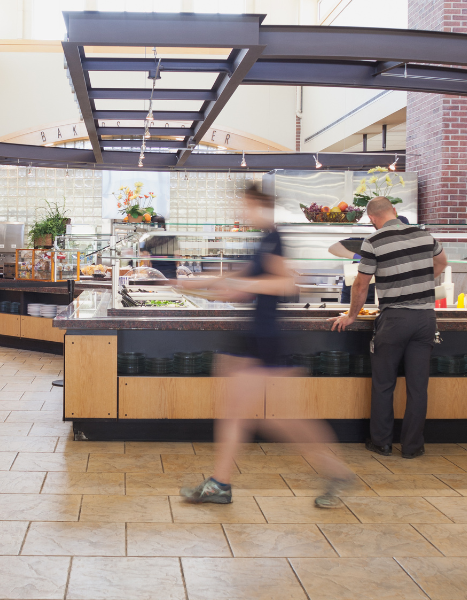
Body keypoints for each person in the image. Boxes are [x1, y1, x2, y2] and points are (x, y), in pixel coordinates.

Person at [179, 182, 352, 508]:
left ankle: (337, 472)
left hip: (267, 341)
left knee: (282, 419)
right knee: (239, 413)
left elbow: (285, 283)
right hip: (252, 339)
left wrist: (237, 284)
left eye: (243, 205)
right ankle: (220, 483)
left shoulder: (275, 238)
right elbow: (239, 283)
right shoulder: (262, 241)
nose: (239, 211)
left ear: (259, 205)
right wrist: (186, 282)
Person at [330, 198, 447, 459]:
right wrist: (421, 279)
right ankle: (413, 447)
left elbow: (361, 284)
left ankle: (381, 442)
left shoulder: (374, 241)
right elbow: (441, 263)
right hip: (426, 319)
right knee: (418, 387)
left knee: (384, 383)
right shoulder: (425, 235)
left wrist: (351, 315)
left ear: (371, 218)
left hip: (395, 319)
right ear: (394, 211)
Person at [329, 216, 410, 304]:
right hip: (353, 294)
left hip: (378, 296)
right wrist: (358, 257)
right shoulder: (367, 241)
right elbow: (334, 248)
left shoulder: (405, 249)